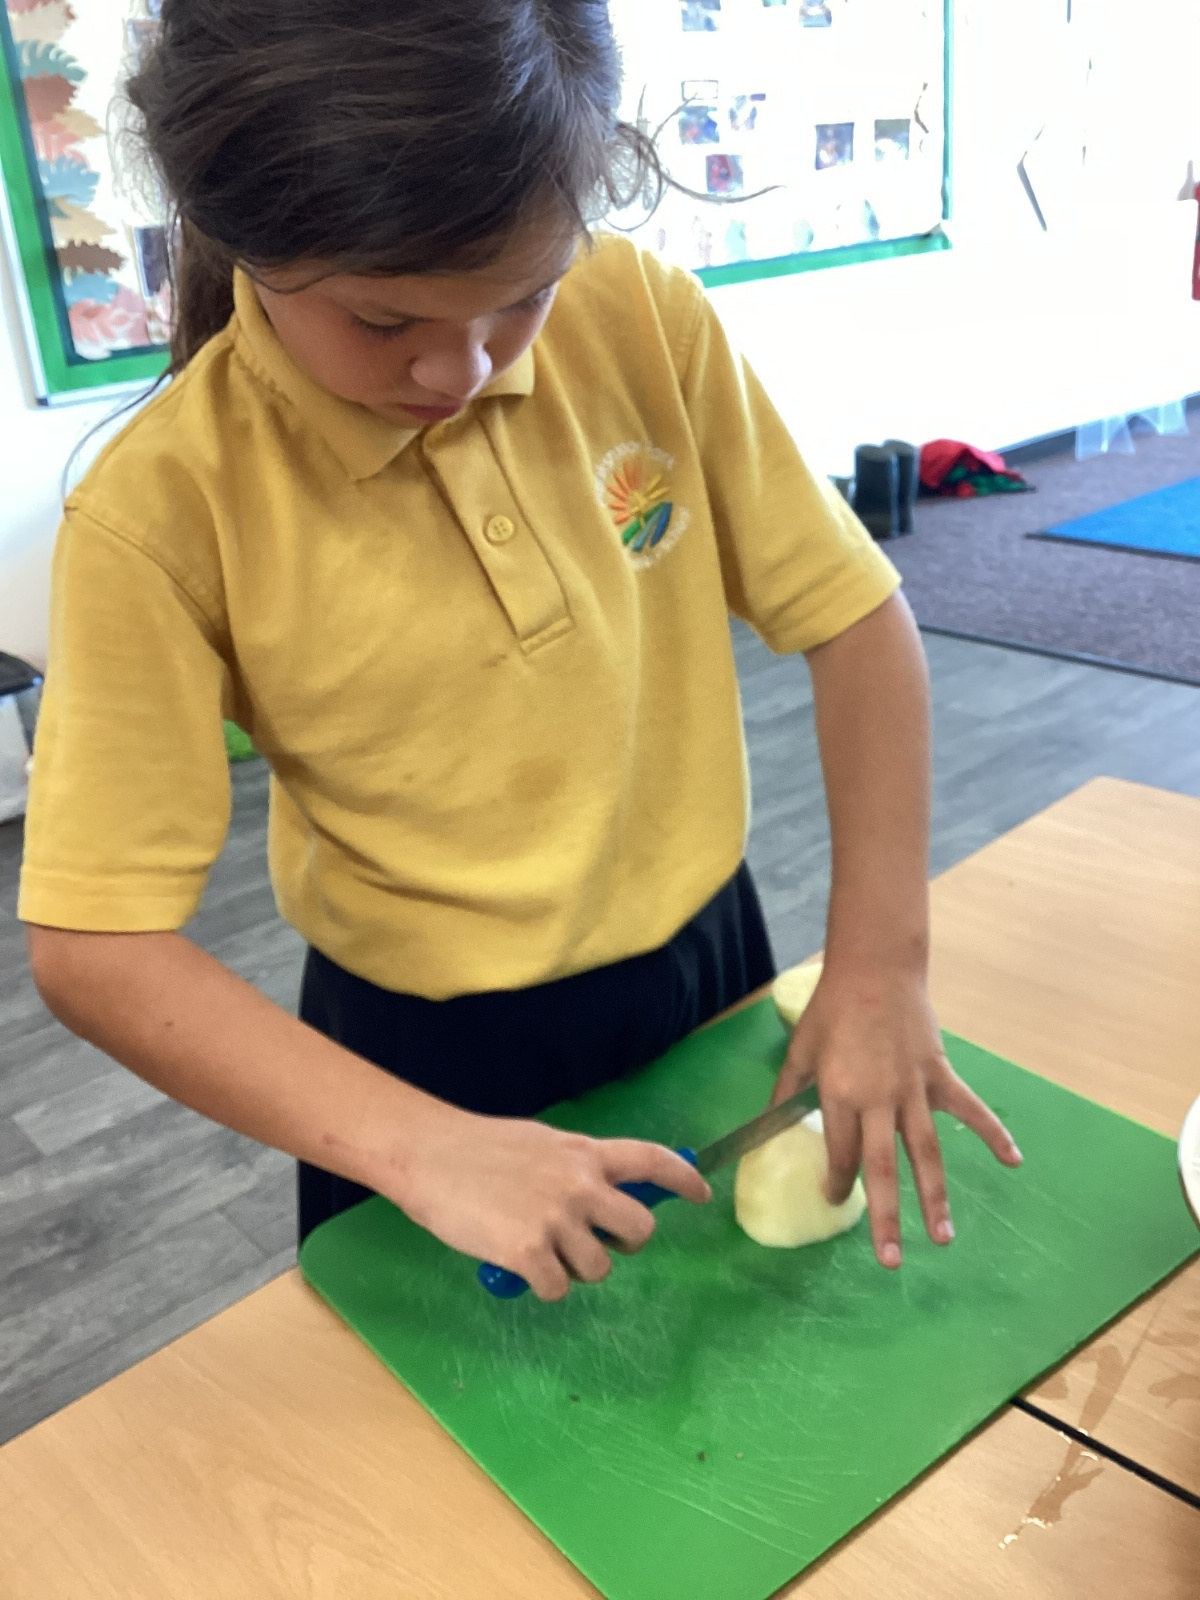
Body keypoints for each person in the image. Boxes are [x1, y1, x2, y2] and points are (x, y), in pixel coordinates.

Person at [21, 0, 1021, 1305]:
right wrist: (422, 1149)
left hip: (707, 960)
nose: (465, 367)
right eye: (385, 323)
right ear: (248, 236)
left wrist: (884, 964)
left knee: (735, 1330)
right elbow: (94, 945)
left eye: (523, 297)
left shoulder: (639, 315)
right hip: (420, 1067)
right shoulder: (160, 510)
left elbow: (855, 619)